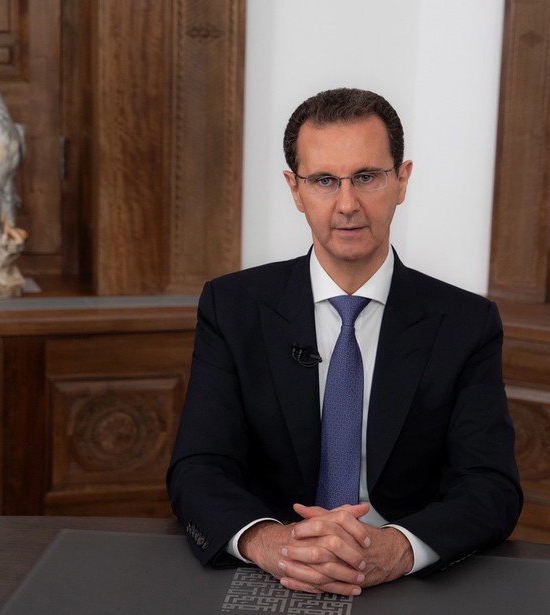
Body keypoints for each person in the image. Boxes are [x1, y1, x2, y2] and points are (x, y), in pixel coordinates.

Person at [167, 87, 522, 596]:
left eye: (367, 177)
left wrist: (397, 549)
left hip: (405, 580)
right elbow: (198, 468)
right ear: (295, 190)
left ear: (402, 181)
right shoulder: (233, 307)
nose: (347, 204)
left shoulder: (466, 322)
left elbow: (490, 485)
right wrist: (272, 543)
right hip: (274, 573)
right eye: (324, 181)